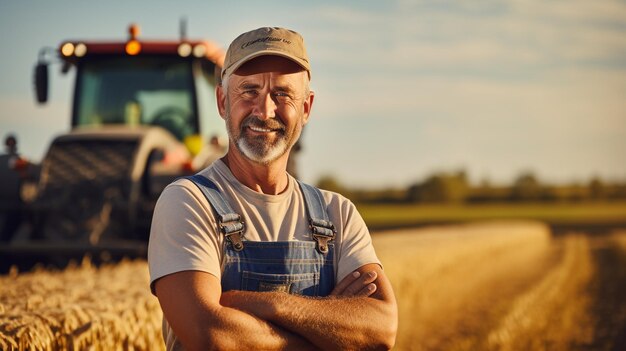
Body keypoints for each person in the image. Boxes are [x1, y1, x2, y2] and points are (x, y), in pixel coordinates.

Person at [148, 27, 397, 351]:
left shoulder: (338, 214)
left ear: (306, 108)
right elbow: (211, 336)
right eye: (249, 91)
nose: (265, 111)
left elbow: (380, 329)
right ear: (223, 102)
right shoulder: (188, 202)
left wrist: (268, 306)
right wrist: (328, 332)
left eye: (282, 94)